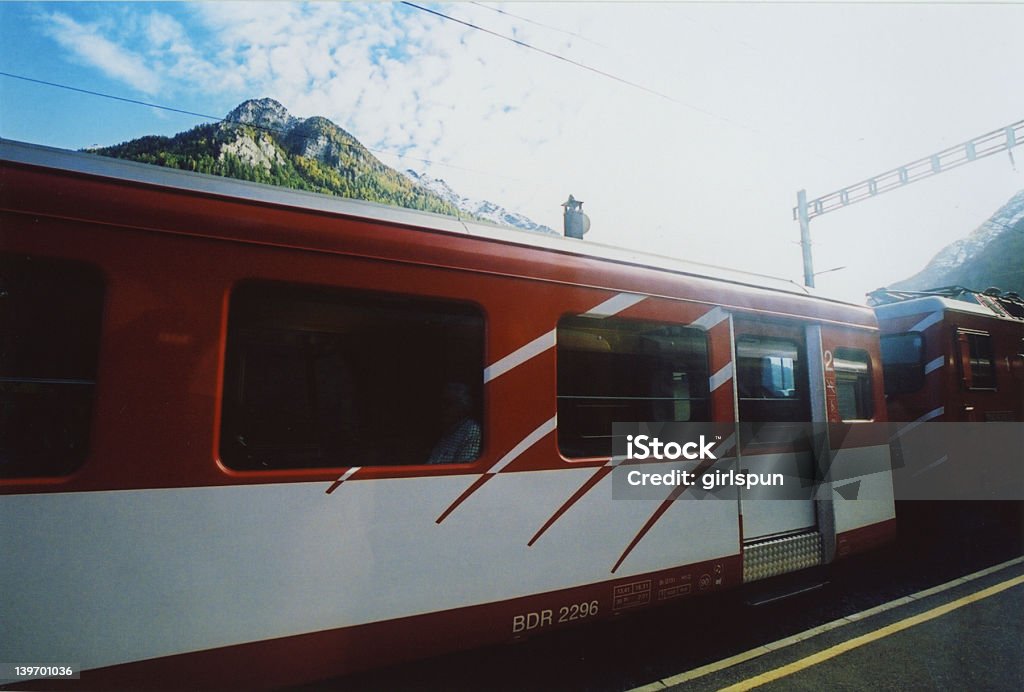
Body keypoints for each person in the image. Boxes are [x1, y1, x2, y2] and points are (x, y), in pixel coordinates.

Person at [427, 383, 481, 464]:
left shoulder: (471, 430)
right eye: (441, 403)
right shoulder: (449, 431)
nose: (443, 408)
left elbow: (464, 469)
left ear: (462, 406)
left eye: (448, 403)